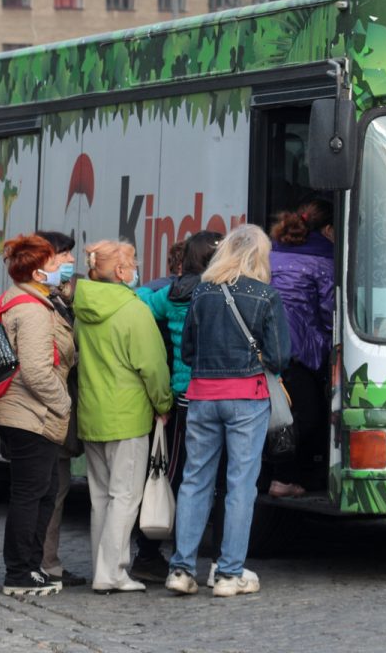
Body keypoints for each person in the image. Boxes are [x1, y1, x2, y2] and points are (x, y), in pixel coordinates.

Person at [165, 224, 289, 600]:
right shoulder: (265, 296)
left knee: (194, 481)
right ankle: (229, 573)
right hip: (247, 397)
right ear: (258, 255)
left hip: (202, 395)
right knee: (239, 485)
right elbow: (281, 356)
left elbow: (188, 351)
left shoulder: (201, 292)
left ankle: (182, 568)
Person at [73, 240, 172, 594]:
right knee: (125, 497)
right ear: (119, 272)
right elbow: (153, 368)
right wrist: (163, 404)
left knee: (100, 497)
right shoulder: (134, 312)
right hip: (127, 414)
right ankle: (112, 571)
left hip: (92, 412)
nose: (135, 271)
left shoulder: (83, 308)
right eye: (132, 265)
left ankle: (103, 566)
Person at [130, 230, 222, 582]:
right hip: (220, 391)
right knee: (217, 481)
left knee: (172, 475)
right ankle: (212, 561)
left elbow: (139, 302)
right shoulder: (224, 292)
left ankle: (151, 552)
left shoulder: (173, 294)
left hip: (182, 395)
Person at [0, 233, 78, 596]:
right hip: (30, 415)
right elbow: (37, 371)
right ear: (39, 271)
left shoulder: (32, 301)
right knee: (31, 494)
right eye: (57, 263)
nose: (65, 268)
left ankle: (30, 567)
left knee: (43, 491)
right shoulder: (32, 308)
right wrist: (64, 404)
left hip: (28, 413)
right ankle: (19, 571)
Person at [265, 199, 336, 497]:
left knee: (279, 411)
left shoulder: (269, 254)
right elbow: (329, 311)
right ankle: (284, 477)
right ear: (330, 229)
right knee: (305, 417)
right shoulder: (324, 261)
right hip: (299, 349)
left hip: (266, 343)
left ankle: (280, 475)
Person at [32, 229, 85, 589]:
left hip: (51, 413)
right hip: (45, 413)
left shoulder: (57, 298)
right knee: (47, 490)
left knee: (55, 488)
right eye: (64, 255)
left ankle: (45, 560)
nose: (71, 262)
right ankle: (41, 562)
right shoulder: (41, 304)